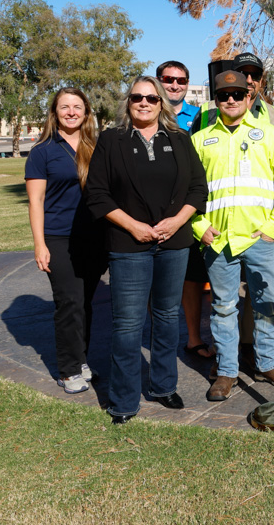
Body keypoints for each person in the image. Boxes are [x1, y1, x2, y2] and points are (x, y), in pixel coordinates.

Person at [86, 76, 208, 424]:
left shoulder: (179, 139)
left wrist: (177, 221)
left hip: (174, 243)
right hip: (129, 245)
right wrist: (133, 226)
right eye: (137, 97)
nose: (144, 103)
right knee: (127, 324)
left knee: (168, 318)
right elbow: (97, 194)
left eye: (151, 98)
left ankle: (163, 386)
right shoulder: (112, 140)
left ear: (161, 103)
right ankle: (123, 401)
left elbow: (198, 189)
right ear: (128, 102)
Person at [190, 70, 274, 402]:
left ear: (249, 96)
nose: (231, 99)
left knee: (268, 304)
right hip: (218, 240)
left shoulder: (270, 135)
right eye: (224, 95)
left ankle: (268, 363)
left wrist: (272, 230)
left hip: (259, 238)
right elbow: (188, 191)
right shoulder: (200, 140)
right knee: (223, 308)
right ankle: (227, 371)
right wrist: (199, 227)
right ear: (216, 100)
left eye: (238, 94)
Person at [25, 88, 106, 395]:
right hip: (58, 237)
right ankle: (68, 370)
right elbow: (36, 202)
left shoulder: (96, 146)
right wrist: (39, 244)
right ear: (55, 113)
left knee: (85, 303)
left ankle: (81, 360)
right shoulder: (42, 151)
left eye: (77, 107)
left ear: (86, 112)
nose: (71, 112)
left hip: (94, 237)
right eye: (64, 107)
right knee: (69, 302)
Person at [157, 60, 215, 361]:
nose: (174, 85)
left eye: (181, 80)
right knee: (159, 282)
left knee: (195, 277)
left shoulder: (202, 115)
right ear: (159, 81)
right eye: (168, 79)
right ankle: (164, 342)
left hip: (194, 205)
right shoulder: (148, 112)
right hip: (158, 207)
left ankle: (198, 338)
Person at [192, 52, 274, 133]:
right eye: (243, 74)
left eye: (255, 75)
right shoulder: (206, 111)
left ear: (261, 81)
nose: (249, 80)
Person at [157, 60, 201, 131]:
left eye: (181, 81)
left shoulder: (200, 115)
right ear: (157, 81)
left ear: (187, 83)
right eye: (168, 80)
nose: (175, 87)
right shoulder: (148, 114)